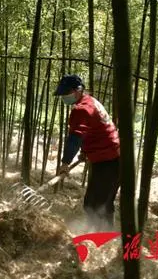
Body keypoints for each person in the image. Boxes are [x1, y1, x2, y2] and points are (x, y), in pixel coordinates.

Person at [55, 74, 120, 230]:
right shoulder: (91, 101)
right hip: (114, 158)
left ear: (78, 90)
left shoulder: (81, 109)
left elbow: (75, 138)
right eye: (62, 93)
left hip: (108, 160)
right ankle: (103, 238)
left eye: (66, 93)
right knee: (99, 203)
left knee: (96, 205)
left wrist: (65, 163)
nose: (64, 96)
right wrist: (86, 151)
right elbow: (93, 131)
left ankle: (102, 239)